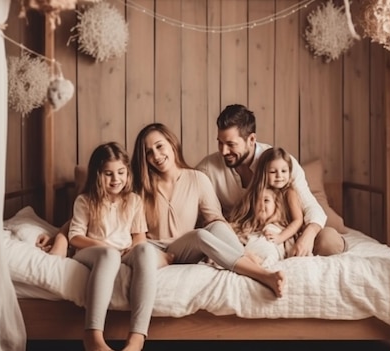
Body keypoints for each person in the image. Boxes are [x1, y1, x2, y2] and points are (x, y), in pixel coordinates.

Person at [130, 122, 285, 298]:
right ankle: (263, 275)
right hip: (155, 249)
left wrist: (239, 249)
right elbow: (136, 236)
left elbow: (215, 220)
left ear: (171, 144)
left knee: (215, 227)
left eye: (159, 146)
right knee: (200, 235)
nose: (156, 155)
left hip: (185, 247)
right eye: (149, 152)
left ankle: (247, 261)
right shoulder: (140, 189)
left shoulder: (197, 178)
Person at [50, 141, 164, 351]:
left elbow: (139, 237)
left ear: (127, 173)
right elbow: (75, 237)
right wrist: (104, 247)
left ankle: (136, 338)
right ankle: (93, 336)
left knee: (147, 250)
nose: (116, 179)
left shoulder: (133, 200)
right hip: (92, 252)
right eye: (108, 174)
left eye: (121, 172)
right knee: (109, 255)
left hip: (123, 250)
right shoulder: (85, 201)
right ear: (97, 174)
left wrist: (133, 250)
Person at [196, 104, 346, 256]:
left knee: (329, 242)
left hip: (287, 229)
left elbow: (311, 208)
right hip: (246, 231)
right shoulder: (208, 168)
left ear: (252, 139)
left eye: (231, 144)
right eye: (220, 143)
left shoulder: (281, 164)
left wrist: (307, 236)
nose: (223, 151)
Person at [229, 147, 303, 264]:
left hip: (280, 231)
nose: (279, 176)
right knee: (236, 236)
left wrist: (280, 237)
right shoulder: (259, 190)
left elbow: (298, 220)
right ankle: (241, 256)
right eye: (273, 172)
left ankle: (257, 260)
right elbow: (245, 211)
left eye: (284, 171)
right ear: (263, 173)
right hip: (257, 228)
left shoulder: (289, 192)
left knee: (267, 241)